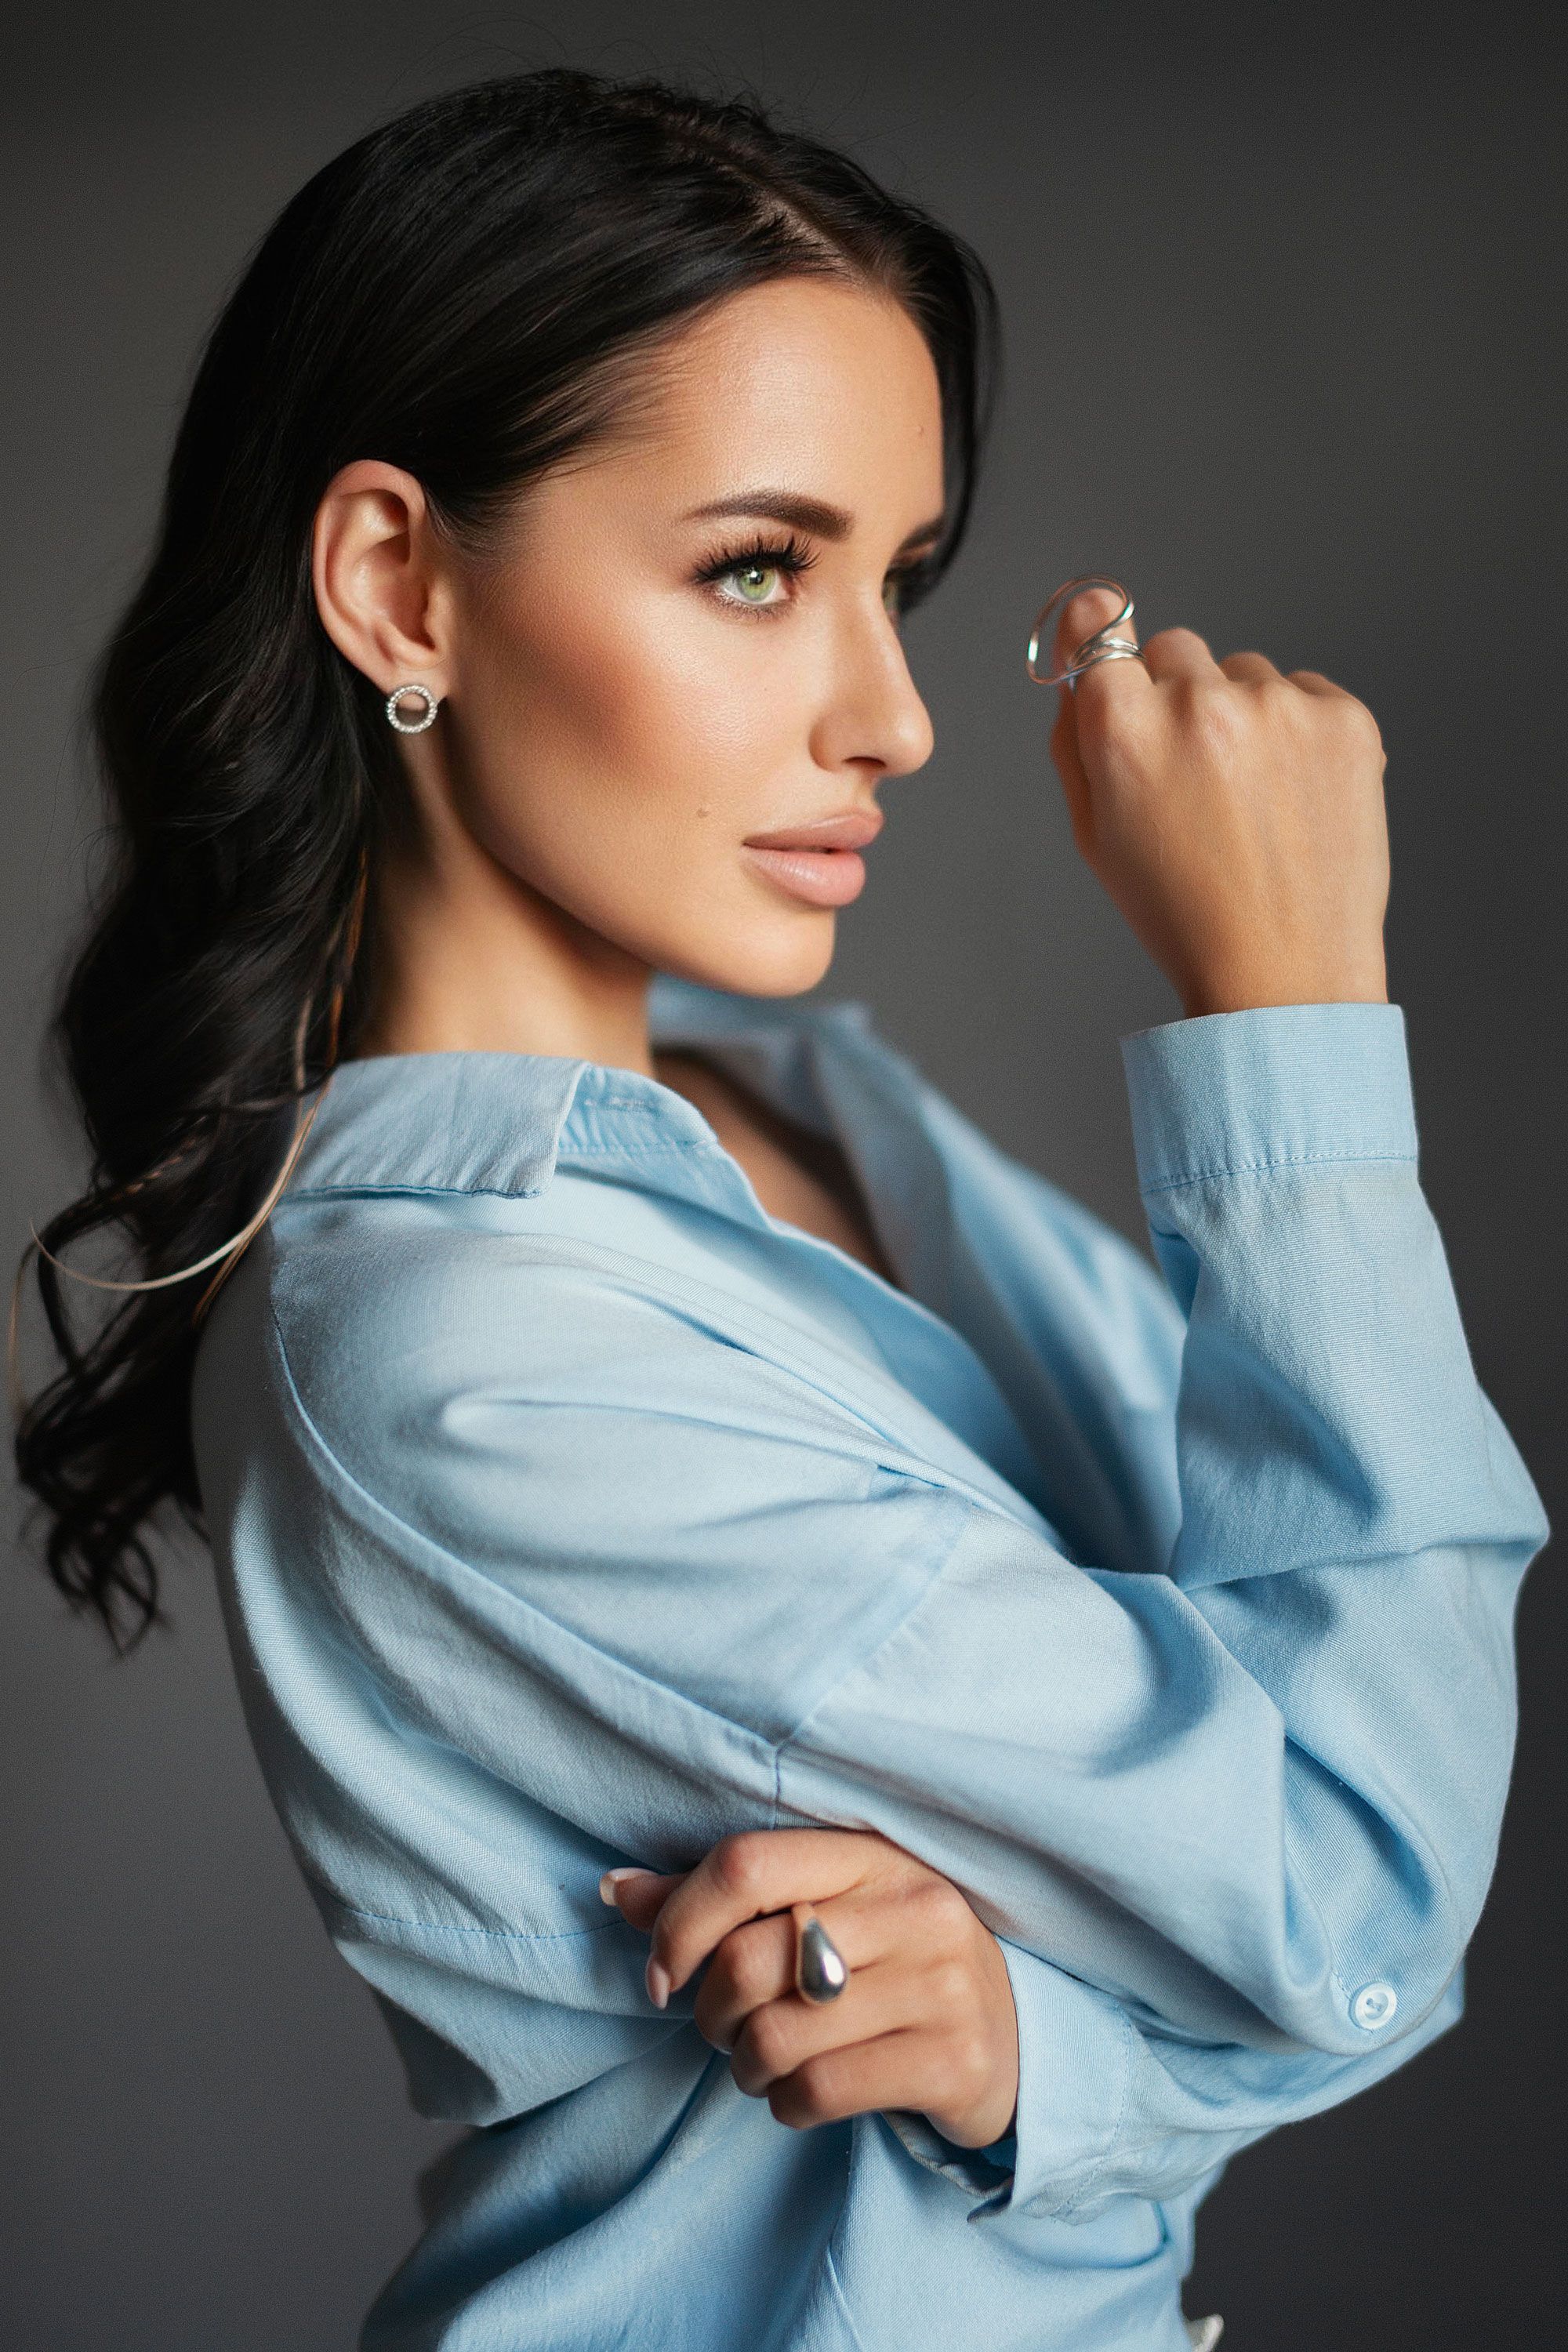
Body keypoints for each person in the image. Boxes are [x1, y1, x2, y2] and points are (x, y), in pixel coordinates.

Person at [12, 67, 1548, 2352]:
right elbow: (1355, 1881)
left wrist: (1045, 2059)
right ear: (397, 586)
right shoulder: (463, 1351)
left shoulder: (795, 1101)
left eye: (895, 581)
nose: (897, 717)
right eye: (758, 569)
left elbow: (1293, 1780)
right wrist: (1290, 1005)